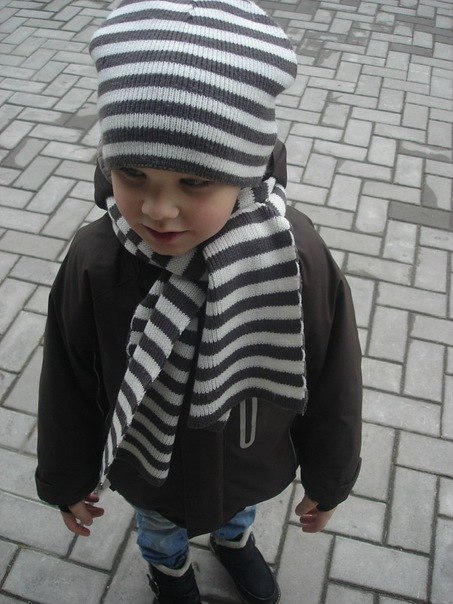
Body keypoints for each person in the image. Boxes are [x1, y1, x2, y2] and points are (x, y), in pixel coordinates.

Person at [35, 1, 362, 603]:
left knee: (236, 513)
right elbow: (69, 378)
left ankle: (234, 542)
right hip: (149, 469)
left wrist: (330, 476)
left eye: (194, 182)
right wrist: (66, 476)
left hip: (246, 457)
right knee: (160, 528)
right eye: (133, 175)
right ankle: (168, 569)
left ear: (244, 171)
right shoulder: (96, 259)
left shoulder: (292, 254)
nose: (158, 210)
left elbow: (333, 373)